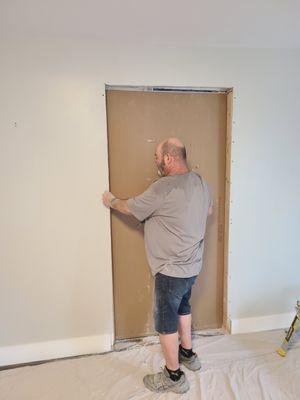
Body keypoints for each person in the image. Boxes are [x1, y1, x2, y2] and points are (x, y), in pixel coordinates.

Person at [102, 137, 213, 394]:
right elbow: (208, 212)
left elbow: (131, 207)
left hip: (170, 271)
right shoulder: (200, 182)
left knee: (165, 322)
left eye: (156, 156)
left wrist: (111, 200)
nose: (155, 161)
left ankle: (174, 377)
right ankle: (188, 354)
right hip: (192, 268)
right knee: (184, 307)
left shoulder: (162, 188)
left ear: (168, 158)